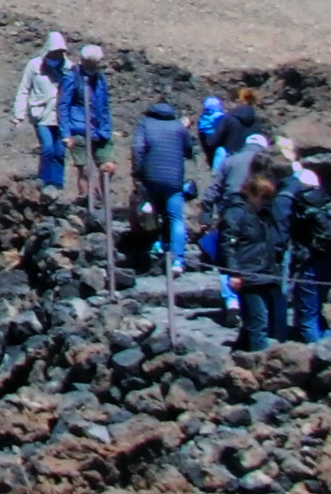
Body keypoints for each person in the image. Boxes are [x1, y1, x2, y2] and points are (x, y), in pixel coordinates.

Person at [221, 163, 291, 351]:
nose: (267, 201)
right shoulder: (236, 213)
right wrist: (234, 273)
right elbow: (228, 244)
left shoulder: (264, 214)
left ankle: (239, 354)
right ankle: (260, 359)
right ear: (252, 193)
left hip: (267, 272)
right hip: (248, 274)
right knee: (258, 321)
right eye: (264, 197)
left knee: (259, 320)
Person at [206, 130, 272, 311]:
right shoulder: (265, 162)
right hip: (256, 215)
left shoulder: (230, 160)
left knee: (226, 250)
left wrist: (207, 211)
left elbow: (214, 187)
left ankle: (231, 300)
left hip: (230, 209)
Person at [129, 97, 195, 274]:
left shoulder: (145, 124)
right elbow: (189, 150)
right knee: (176, 218)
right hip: (174, 179)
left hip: (151, 178)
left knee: (151, 212)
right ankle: (178, 260)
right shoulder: (178, 126)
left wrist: (138, 172)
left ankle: (156, 245)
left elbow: (138, 149)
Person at [284, 160, 331, 343]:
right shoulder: (327, 200)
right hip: (328, 260)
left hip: (308, 261)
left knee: (307, 315)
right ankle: (330, 346)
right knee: (318, 310)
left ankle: (316, 351)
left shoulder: (299, 202)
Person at [12, 32, 69, 190]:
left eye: (59, 53)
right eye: (54, 53)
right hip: (41, 114)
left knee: (60, 151)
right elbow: (24, 89)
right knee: (48, 147)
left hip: (61, 117)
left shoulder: (68, 67)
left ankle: (57, 184)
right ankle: (44, 180)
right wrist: (19, 114)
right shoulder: (34, 65)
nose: (56, 57)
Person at [63, 45, 113, 211]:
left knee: (108, 167)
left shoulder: (100, 78)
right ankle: (86, 204)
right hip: (79, 128)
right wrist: (66, 133)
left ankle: (98, 195)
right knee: (84, 169)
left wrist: (106, 126)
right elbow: (63, 106)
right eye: (91, 63)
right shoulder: (73, 77)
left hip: (100, 129)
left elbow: (104, 105)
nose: (93, 67)